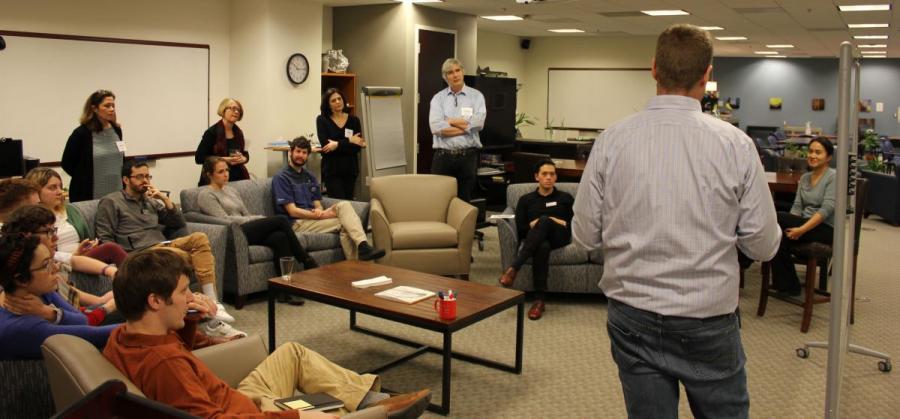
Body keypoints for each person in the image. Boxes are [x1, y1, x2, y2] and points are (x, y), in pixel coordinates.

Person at [571, 24, 781, 418]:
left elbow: (584, 236)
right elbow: (763, 245)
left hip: (631, 312)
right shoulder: (735, 145)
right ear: (707, 75)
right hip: (708, 317)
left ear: (653, 69)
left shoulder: (611, 141)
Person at [104, 248, 431, 418]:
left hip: (231, 396)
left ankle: (368, 400)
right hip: (245, 410)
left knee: (292, 352)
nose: (191, 297)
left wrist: (190, 319)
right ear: (155, 301)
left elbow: (180, 360)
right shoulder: (164, 365)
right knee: (322, 412)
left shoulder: (125, 335)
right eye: (183, 292)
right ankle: (375, 411)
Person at [95, 160, 245, 338]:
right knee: (182, 257)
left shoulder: (150, 200)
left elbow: (178, 223)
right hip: (141, 254)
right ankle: (212, 322)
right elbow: (105, 239)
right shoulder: (111, 202)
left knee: (200, 238)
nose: (145, 181)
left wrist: (164, 200)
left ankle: (213, 302)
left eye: (147, 176)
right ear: (126, 180)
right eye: (140, 177)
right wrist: (125, 262)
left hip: (163, 246)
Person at [198, 156, 317, 305]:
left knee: (279, 237)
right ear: (209, 174)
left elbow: (245, 213)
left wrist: (257, 218)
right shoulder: (206, 195)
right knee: (280, 220)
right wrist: (257, 220)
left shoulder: (231, 190)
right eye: (220, 172)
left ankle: (284, 290)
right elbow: (224, 220)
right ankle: (306, 260)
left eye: (227, 170)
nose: (226, 174)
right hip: (235, 232)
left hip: (247, 227)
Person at [0, 234, 117, 360]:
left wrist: (49, 313)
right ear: (21, 279)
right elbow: (95, 335)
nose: (56, 268)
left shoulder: (37, 290)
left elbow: (83, 321)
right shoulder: (22, 328)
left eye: (52, 261)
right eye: (46, 265)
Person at [2, 205, 119, 325]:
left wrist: (109, 277)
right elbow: (82, 324)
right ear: (27, 236)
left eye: (54, 230)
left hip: (79, 314)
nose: (56, 237)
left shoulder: (50, 262)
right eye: (49, 232)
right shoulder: (30, 288)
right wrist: (105, 306)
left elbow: (74, 262)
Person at [272, 137, 384, 262]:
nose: (301, 155)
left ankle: (362, 248)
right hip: (297, 223)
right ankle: (358, 262)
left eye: (304, 153)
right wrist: (319, 215)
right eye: (298, 151)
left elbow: (317, 203)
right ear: (290, 152)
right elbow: (292, 211)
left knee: (344, 206)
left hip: (313, 218)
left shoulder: (310, 176)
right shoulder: (281, 178)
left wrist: (320, 210)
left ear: (307, 155)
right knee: (346, 224)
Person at [498, 159, 574, 320]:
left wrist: (554, 222)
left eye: (552, 174)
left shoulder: (565, 198)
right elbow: (521, 229)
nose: (548, 177)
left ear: (556, 178)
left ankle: (513, 268)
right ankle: (539, 300)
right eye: (544, 174)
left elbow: (574, 223)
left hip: (559, 236)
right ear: (536, 177)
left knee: (545, 220)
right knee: (542, 246)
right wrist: (534, 224)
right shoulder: (526, 200)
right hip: (538, 239)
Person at [770, 137, 836, 296]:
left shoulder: (833, 177)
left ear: (829, 157)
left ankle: (746, 259)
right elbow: (797, 207)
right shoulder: (805, 177)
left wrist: (801, 229)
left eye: (818, 152)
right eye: (811, 151)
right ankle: (789, 286)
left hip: (826, 228)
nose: (813, 155)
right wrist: (789, 227)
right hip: (804, 224)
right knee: (776, 236)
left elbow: (826, 210)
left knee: (775, 216)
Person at [25, 167, 127, 266]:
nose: (60, 192)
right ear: (36, 191)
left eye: (60, 187)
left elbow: (86, 237)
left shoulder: (69, 211)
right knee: (111, 249)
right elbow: (42, 253)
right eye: (52, 188)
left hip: (83, 255)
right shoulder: (32, 219)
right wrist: (75, 254)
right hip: (66, 260)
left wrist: (89, 245)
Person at [428, 58, 486, 203]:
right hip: (443, 157)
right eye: (450, 72)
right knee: (439, 200)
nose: (455, 75)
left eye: (457, 70)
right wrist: (467, 128)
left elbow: (478, 124)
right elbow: (436, 128)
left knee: (464, 200)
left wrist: (450, 121)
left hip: (467, 157)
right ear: (445, 77)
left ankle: (461, 227)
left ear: (462, 72)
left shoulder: (476, 96)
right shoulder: (438, 99)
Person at [62, 90, 124, 202]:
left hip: (116, 191)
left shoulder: (117, 130)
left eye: (113, 105)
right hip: (89, 194)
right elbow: (67, 163)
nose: (112, 109)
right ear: (94, 108)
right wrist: (84, 177)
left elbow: (120, 159)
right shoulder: (82, 133)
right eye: (107, 106)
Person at [316, 88, 366, 199]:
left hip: (350, 170)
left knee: (348, 203)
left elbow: (357, 146)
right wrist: (349, 141)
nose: (338, 102)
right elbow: (326, 146)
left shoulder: (354, 120)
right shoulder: (322, 120)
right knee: (339, 205)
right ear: (328, 105)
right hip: (332, 171)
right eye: (333, 100)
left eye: (339, 99)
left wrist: (337, 145)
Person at [195, 98, 250, 187]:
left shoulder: (239, 132)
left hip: (237, 179)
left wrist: (244, 159)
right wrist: (224, 159)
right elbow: (199, 158)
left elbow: (245, 154)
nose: (236, 112)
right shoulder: (211, 132)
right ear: (223, 110)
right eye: (232, 108)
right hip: (215, 182)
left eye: (238, 110)